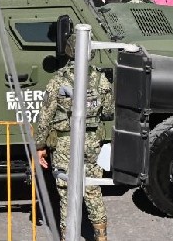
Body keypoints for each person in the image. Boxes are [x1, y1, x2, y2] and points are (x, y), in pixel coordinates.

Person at [33, 34, 114, 241]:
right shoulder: (100, 78)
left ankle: (67, 237)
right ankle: (101, 236)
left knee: (66, 191)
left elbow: (45, 117)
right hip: (92, 141)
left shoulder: (59, 79)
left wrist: (39, 145)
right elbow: (109, 111)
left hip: (64, 142)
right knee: (93, 187)